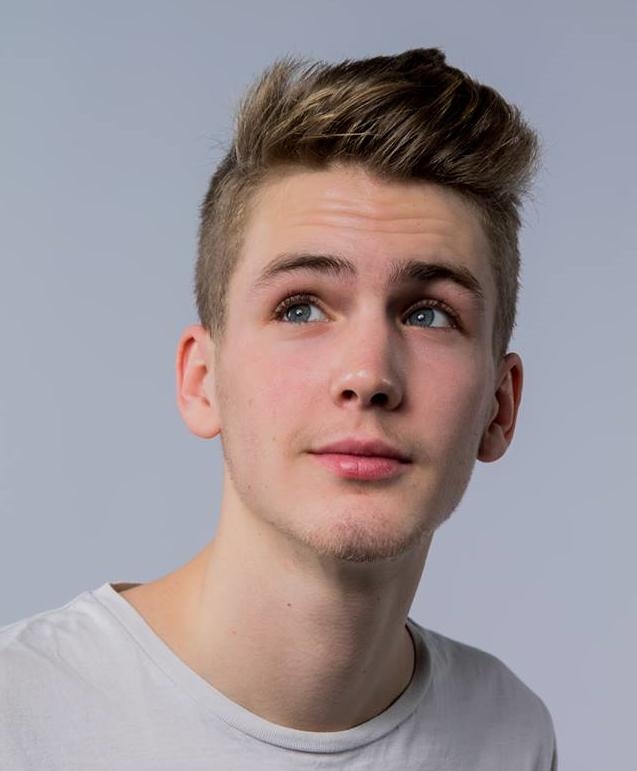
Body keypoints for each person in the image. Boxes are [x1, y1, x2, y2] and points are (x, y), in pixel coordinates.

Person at [0, 48, 557, 769]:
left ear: (499, 407)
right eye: (301, 307)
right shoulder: (19, 714)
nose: (367, 375)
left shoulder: (509, 733)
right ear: (202, 380)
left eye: (428, 315)